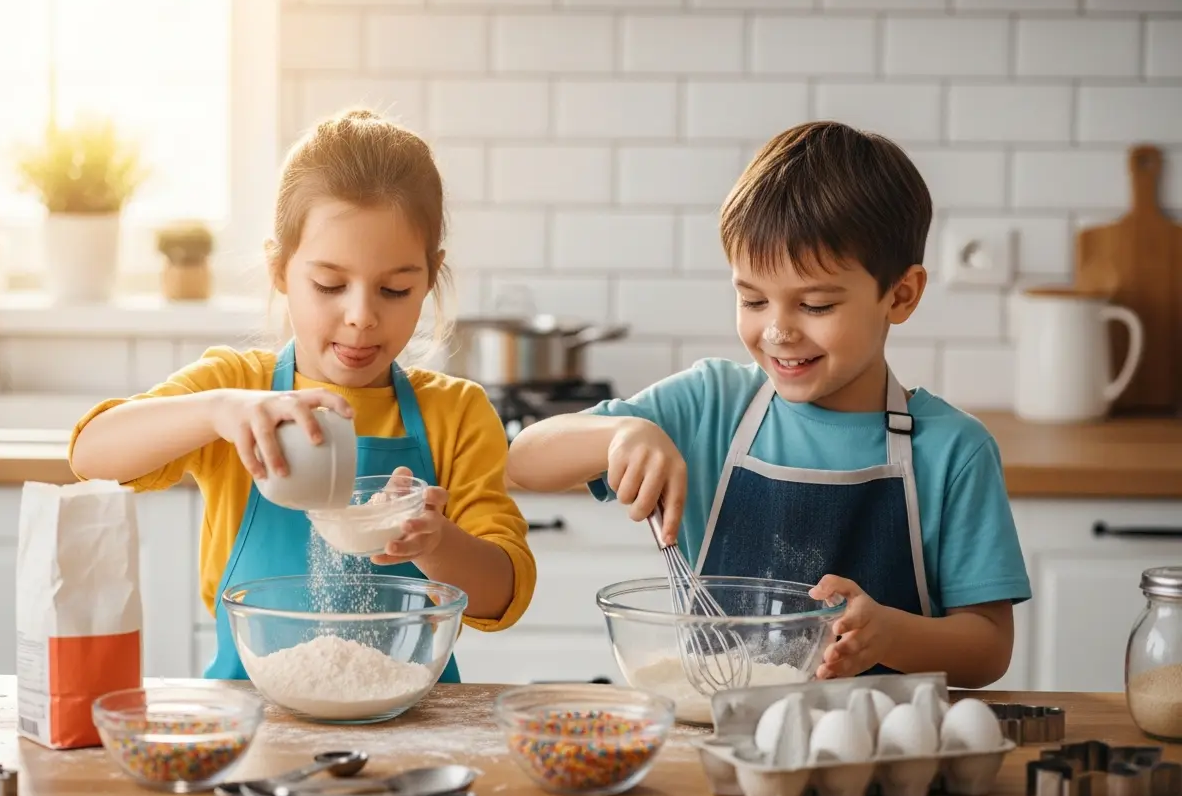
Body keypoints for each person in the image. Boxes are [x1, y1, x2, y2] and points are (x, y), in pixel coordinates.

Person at [507, 121, 1030, 688]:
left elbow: (988, 649)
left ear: (900, 295)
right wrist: (619, 434)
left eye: (816, 305)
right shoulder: (710, 405)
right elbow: (523, 460)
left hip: (877, 735)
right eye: (753, 300)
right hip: (717, 731)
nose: (778, 331)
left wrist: (889, 634)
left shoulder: (953, 451)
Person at [70, 108, 536, 681]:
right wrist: (217, 411)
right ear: (279, 269)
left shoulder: (456, 413)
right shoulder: (235, 388)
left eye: (395, 288)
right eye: (329, 284)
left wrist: (433, 542)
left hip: (413, 717)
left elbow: (504, 594)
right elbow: (90, 454)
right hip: (253, 713)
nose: (361, 315)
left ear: (430, 276)